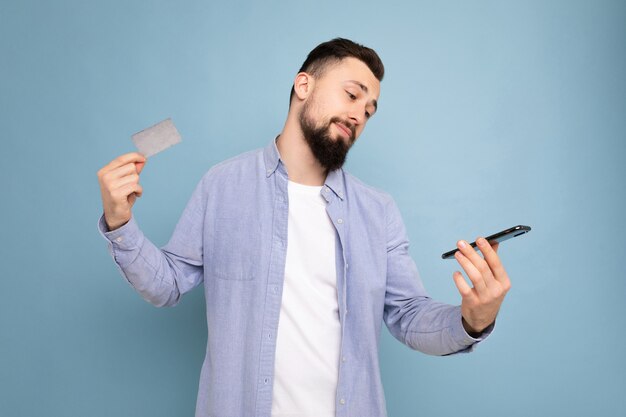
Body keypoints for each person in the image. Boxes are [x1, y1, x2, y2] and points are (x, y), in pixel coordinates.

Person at [97, 38, 510, 417]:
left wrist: (470, 321)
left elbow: (407, 315)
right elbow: (167, 284)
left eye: (368, 111)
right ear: (303, 85)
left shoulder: (378, 211)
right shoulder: (223, 185)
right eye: (351, 95)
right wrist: (121, 222)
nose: (358, 115)